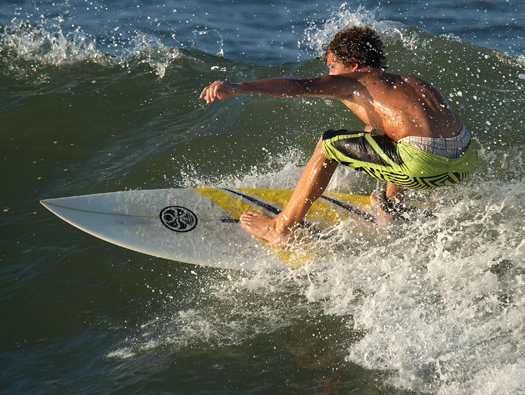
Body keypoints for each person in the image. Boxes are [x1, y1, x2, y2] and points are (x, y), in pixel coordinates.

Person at [200, 25, 477, 246]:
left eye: (332, 66)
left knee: (328, 144)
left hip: (422, 163)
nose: (329, 74)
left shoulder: (357, 80)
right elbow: (416, 131)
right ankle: (390, 205)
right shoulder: (410, 83)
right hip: (462, 163)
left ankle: (281, 228)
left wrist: (238, 87)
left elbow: (297, 86)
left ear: (354, 64)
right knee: (380, 136)